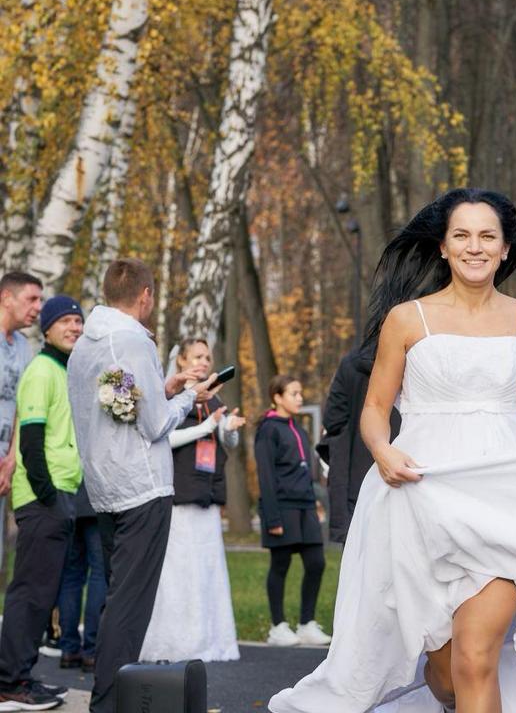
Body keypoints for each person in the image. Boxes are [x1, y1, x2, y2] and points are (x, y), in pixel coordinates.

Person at [269, 188, 516, 713]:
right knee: (445, 675)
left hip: (508, 500)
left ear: (506, 247)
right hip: (421, 496)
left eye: (487, 236)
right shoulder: (407, 319)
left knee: (474, 658)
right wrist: (382, 451)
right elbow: (374, 408)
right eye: (462, 236)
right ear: (443, 247)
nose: (475, 247)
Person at [67, 258, 220, 713]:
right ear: (146, 295)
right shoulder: (133, 341)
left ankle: (112, 692)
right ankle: (110, 700)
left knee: (118, 594)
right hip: (143, 485)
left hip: (104, 482)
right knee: (130, 603)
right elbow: (153, 424)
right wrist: (190, 396)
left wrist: (164, 385)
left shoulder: (87, 345)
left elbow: (121, 404)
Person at [0, 295, 83, 710]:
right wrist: (49, 496)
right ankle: (9, 681)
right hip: (43, 498)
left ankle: (21, 676)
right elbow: (30, 441)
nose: (74, 327)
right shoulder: (42, 370)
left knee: (40, 592)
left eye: (78, 321)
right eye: (65, 321)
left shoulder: (65, 370)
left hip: (62, 494)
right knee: (31, 592)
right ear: (47, 328)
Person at [139, 338, 244, 662]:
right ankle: (175, 643)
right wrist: (206, 428)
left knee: (207, 569)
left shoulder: (212, 399)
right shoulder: (169, 396)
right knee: (179, 570)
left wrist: (229, 429)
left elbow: (226, 440)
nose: (203, 362)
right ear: (181, 361)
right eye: (196, 357)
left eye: (207, 357)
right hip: (179, 495)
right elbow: (164, 437)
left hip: (207, 493)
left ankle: (211, 640)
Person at [255, 374, 331, 648]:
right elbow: (265, 476)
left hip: (305, 506)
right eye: (294, 393)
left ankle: (307, 624)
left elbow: (306, 471)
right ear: (277, 397)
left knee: (316, 563)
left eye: (300, 393)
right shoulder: (268, 429)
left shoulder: (297, 429)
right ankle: (278, 627)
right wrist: (272, 517)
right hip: (282, 508)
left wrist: (314, 503)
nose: (300, 398)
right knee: (281, 565)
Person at [320, 347, 401, 543]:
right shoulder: (417, 358)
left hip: (357, 478)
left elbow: (333, 420)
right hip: (410, 472)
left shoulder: (351, 364)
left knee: (360, 561)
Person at [56, 478, 107, 673]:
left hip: (69, 498)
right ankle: (92, 650)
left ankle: (68, 649)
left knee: (71, 576)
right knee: (99, 573)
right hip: (96, 498)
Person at [0, 272, 42, 498]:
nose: (38, 307)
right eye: (32, 299)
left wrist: (11, 460)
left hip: (5, 464)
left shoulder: (23, 346)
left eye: (40, 300)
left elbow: (23, 406)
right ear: (7, 297)